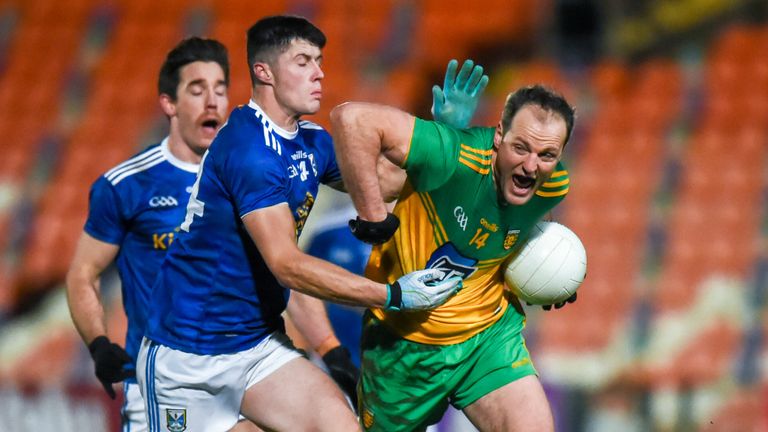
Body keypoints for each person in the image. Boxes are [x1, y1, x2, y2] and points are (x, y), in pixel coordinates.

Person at [136, 15, 479, 432]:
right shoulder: (248, 151)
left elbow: (386, 184)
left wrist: (444, 139)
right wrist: (391, 294)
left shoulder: (311, 141)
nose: (319, 72)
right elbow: (286, 264)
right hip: (187, 358)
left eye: (319, 60)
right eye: (303, 61)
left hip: (258, 347)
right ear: (264, 72)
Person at [64, 36, 354, 432]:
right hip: (169, 377)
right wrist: (98, 343)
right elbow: (83, 273)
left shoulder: (258, 172)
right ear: (169, 104)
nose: (212, 102)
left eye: (220, 89)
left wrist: (331, 350)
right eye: (197, 90)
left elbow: (283, 269)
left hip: (248, 365)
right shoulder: (127, 186)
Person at [330, 84, 577, 431]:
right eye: (521, 148)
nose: (531, 165)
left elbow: (518, 227)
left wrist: (549, 275)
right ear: (499, 135)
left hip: (487, 337)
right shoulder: (455, 155)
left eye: (547, 155)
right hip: (405, 346)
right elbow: (350, 119)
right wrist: (374, 218)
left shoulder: (553, 186)